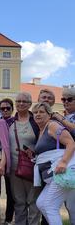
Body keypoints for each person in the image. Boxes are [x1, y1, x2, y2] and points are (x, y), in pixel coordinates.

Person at [32, 102, 75, 225]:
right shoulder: (41, 130)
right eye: (35, 112)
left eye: (41, 112)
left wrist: (63, 162)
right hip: (53, 175)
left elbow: (71, 143)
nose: (38, 114)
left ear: (49, 114)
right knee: (41, 203)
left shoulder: (52, 125)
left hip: (62, 171)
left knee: (50, 205)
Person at [8, 92, 41, 225]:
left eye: (24, 101)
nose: (21, 103)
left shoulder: (36, 122)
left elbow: (44, 141)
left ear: (29, 104)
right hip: (14, 168)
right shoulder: (9, 122)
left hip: (32, 167)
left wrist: (35, 150)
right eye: (18, 101)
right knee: (19, 201)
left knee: (33, 201)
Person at [51, 88, 75, 222]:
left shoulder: (63, 118)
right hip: (68, 160)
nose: (65, 102)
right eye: (63, 99)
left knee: (72, 204)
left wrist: (61, 119)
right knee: (70, 204)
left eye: (69, 99)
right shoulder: (65, 116)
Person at [0, 98, 15, 225]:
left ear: (12, 109)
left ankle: (8, 219)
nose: (5, 110)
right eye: (2, 108)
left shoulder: (15, 122)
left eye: (7, 108)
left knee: (10, 191)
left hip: (12, 160)